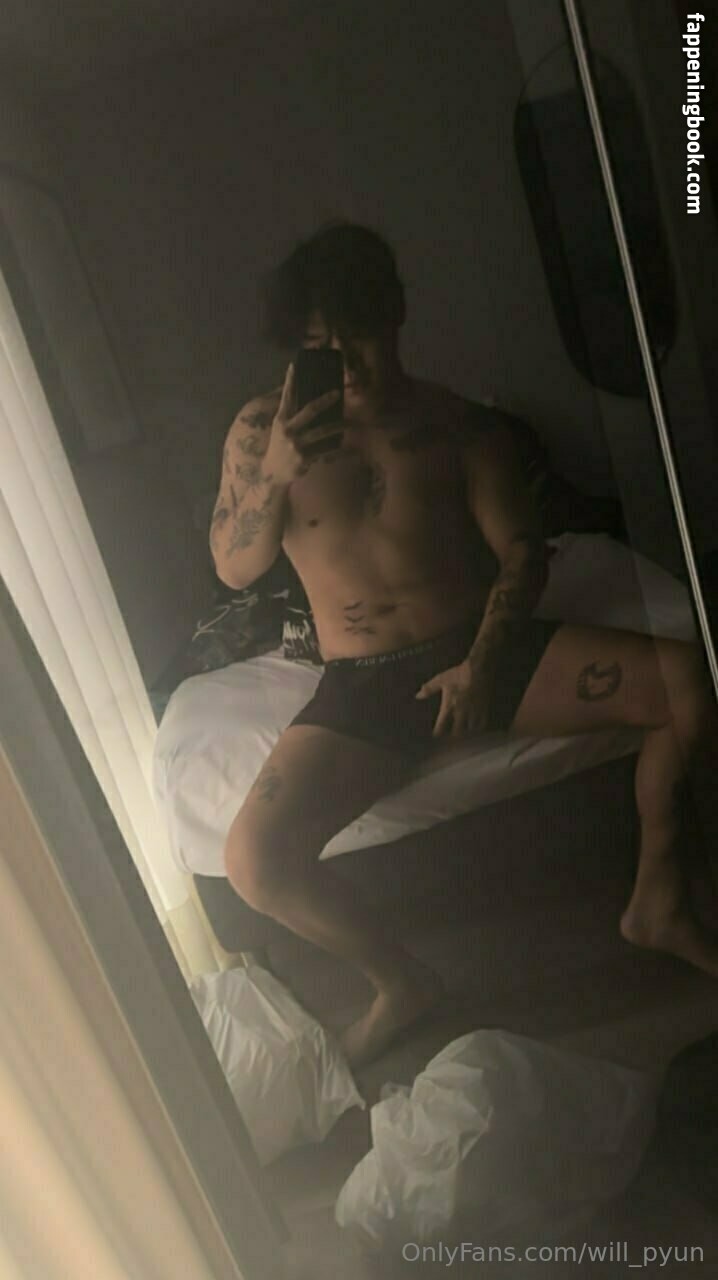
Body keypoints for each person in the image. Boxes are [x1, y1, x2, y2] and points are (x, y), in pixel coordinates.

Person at [211, 220, 718, 1068]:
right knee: (252, 861)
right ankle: (399, 982)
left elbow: (523, 552)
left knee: (687, 680)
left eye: (362, 336)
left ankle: (657, 902)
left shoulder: (458, 424)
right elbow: (233, 568)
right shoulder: (263, 431)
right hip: (363, 680)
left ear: (397, 316)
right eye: (325, 347)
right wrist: (274, 475)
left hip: (482, 646)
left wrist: (482, 664)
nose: (350, 364)